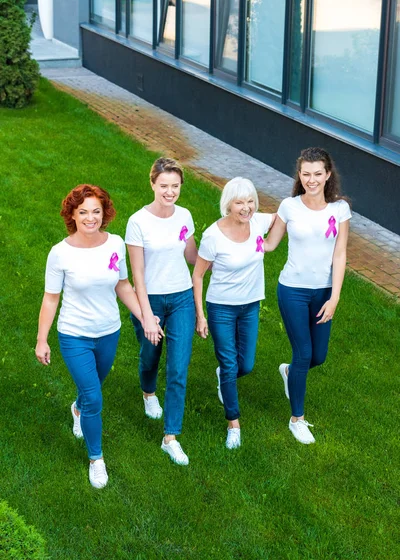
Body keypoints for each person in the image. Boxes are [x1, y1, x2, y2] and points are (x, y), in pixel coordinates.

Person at [35, 184, 162, 489]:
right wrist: (42, 339)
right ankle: (96, 459)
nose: (90, 218)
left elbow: (123, 286)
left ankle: (77, 409)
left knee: (91, 390)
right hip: (74, 335)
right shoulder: (60, 254)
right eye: (83, 212)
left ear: (105, 213)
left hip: (108, 332)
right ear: (72, 215)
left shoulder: (115, 244)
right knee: (94, 397)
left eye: (96, 211)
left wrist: (146, 317)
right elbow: (51, 298)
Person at [263, 147, 351, 444]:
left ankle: (289, 372)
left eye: (317, 174)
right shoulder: (289, 206)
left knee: (318, 356)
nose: (311, 180)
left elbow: (340, 254)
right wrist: (237, 229)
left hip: (324, 291)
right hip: (293, 290)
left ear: (328, 175)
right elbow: (270, 244)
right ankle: (296, 419)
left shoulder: (339, 210)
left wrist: (335, 296)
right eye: (305, 174)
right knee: (303, 353)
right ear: (299, 175)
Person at [192, 177, 275, 449]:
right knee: (229, 364)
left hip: (250, 306)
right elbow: (198, 275)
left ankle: (223, 377)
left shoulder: (259, 223)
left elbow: (285, 214)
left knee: (246, 365)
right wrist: (200, 315)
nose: (246, 208)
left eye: (250, 201)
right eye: (240, 202)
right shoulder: (213, 236)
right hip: (221, 309)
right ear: (228, 204)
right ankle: (233, 424)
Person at [125, 157, 197, 466]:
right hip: (150, 299)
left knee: (178, 368)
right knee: (150, 357)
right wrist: (146, 315)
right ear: (153, 184)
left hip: (182, 298)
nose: (170, 192)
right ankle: (148, 392)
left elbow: (193, 256)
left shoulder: (184, 216)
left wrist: (234, 243)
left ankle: (171, 437)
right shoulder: (138, 222)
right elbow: (137, 274)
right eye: (164, 185)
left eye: (175, 186)